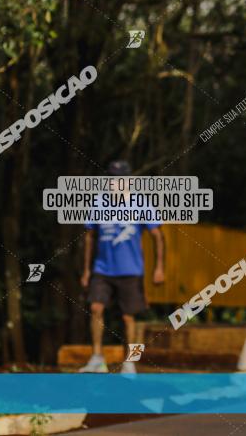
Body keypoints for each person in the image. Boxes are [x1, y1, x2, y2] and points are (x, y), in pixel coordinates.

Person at [79, 160, 165, 373]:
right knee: (95, 308)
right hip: (102, 269)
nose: (113, 182)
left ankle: (130, 362)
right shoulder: (98, 203)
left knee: (129, 317)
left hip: (131, 270)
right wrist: (87, 270)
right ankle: (97, 358)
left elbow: (157, 235)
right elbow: (89, 237)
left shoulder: (141, 203)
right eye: (110, 178)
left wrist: (159, 267)